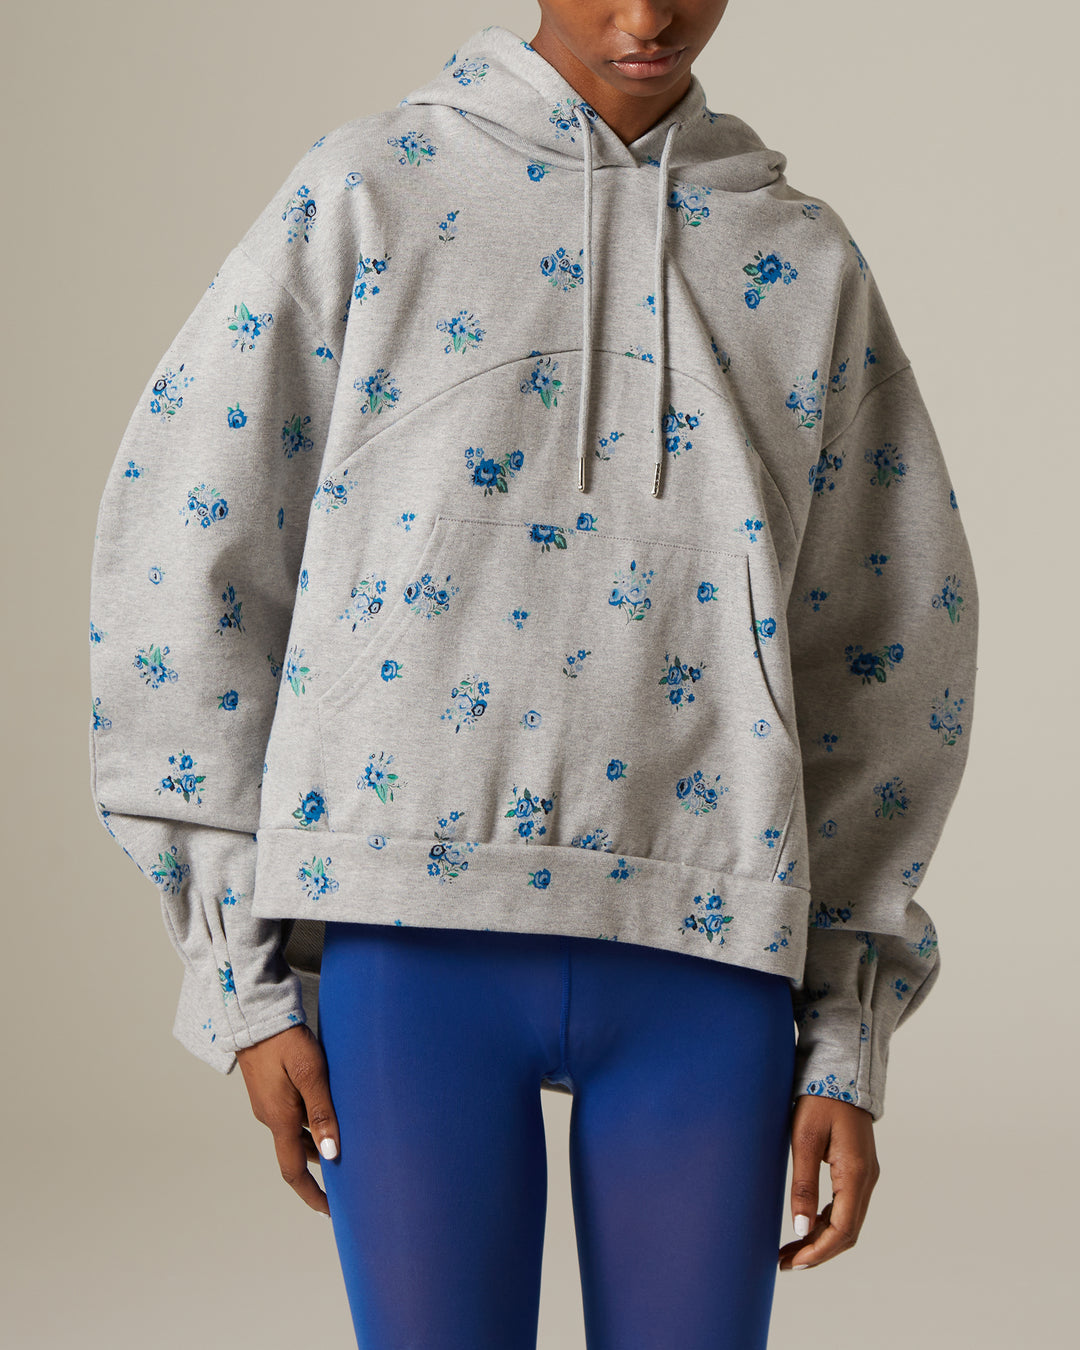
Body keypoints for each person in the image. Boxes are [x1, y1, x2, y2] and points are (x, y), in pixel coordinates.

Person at [86, 2, 979, 1345]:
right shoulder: (369, 193)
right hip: (407, 939)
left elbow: (888, 648)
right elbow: (184, 549)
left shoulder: (801, 259)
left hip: (708, 943)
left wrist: (846, 1029)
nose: (648, 13)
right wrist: (241, 977)